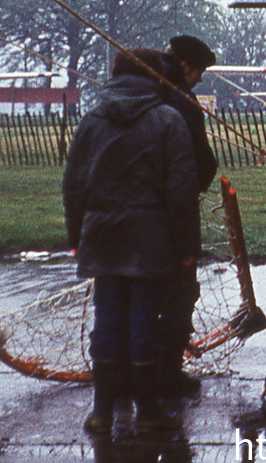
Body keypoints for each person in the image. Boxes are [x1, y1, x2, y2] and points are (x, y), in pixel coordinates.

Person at [64, 47, 199, 434]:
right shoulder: (167, 120)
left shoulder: (91, 121)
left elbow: (74, 185)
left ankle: (101, 411)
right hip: (150, 242)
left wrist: (78, 236)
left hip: (103, 240)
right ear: (154, 76)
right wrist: (187, 246)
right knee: (143, 323)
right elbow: (181, 190)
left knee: (106, 323)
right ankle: (148, 411)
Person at [157, 34, 218, 396]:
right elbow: (198, 163)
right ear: (185, 66)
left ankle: (123, 373)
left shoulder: (137, 90)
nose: (198, 81)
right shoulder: (179, 99)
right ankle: (167, 374)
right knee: (180, 289)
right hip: (172, 209)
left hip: (130, 212)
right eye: (199, 73)